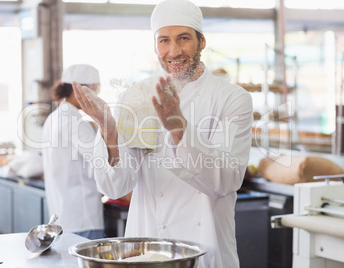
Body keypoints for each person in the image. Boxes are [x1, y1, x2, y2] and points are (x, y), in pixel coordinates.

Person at [72, 0, 253, 266]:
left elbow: (226, 181)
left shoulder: (232, 98)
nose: (174, 51)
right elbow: (115, 185)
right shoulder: (138, 95)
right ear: (156, 46)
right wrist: (109, 130)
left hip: (206, 247)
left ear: (202, 42)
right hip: (146, 245)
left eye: (184, 39)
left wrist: (178, 128)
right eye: (164, 40)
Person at [41, 64, 105, 240]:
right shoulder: (74, 122)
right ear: (80, 90)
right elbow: (100, 160)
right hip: (83, 214)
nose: (96, 96)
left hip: (62, 213)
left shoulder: (54, 118)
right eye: (94, 90)